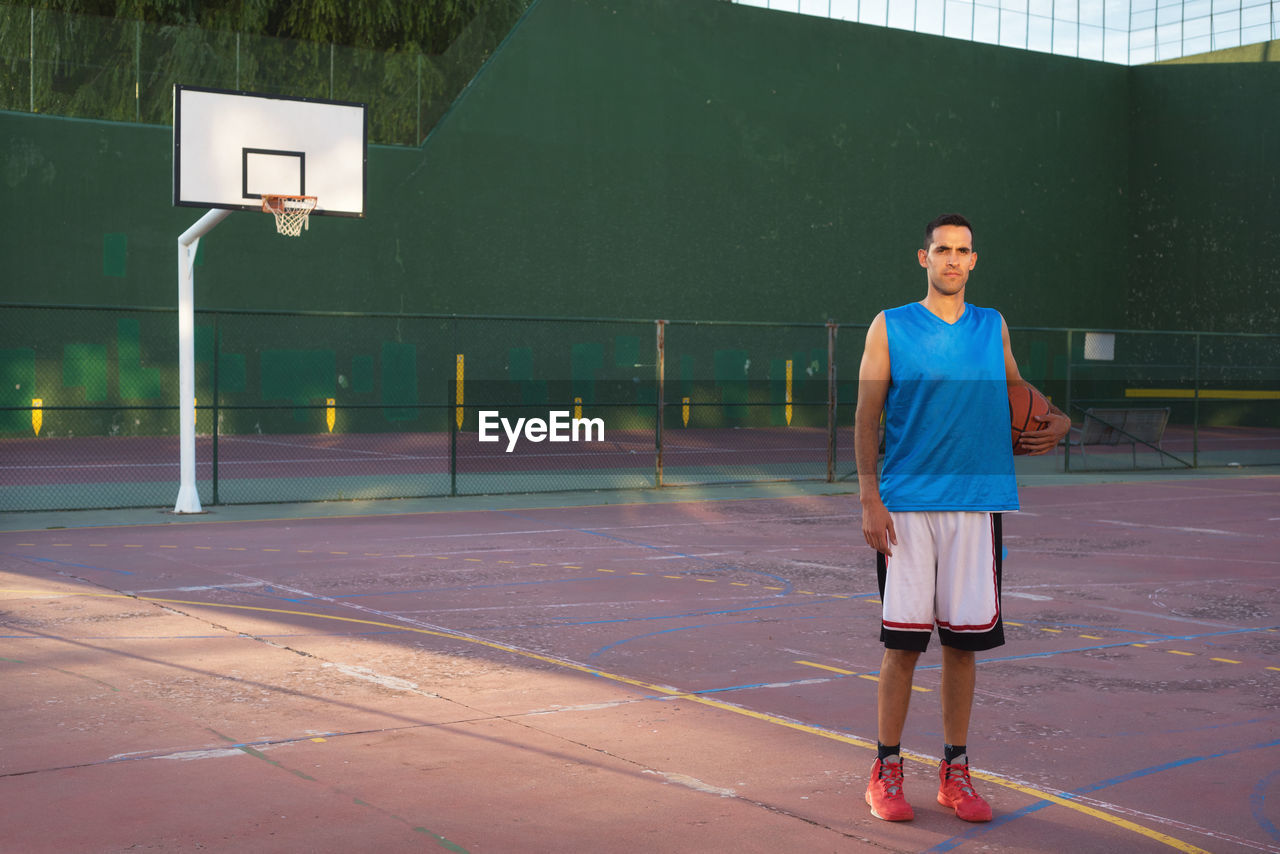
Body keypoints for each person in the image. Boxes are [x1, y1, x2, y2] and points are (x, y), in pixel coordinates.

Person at [854, 213, 1069, 823]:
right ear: (923, 258)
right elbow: (866, 416)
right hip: (908, 505)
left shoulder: (991, 326)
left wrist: (1061, 420)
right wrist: (870, 498)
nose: (952, 259)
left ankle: (955, 771)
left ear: (974, 261)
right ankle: (885, 770)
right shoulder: (890, 326)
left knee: (963, 646)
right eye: (942, 249)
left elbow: (1018, 394)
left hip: (978, 502)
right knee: (902, 646)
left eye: (963, 251)